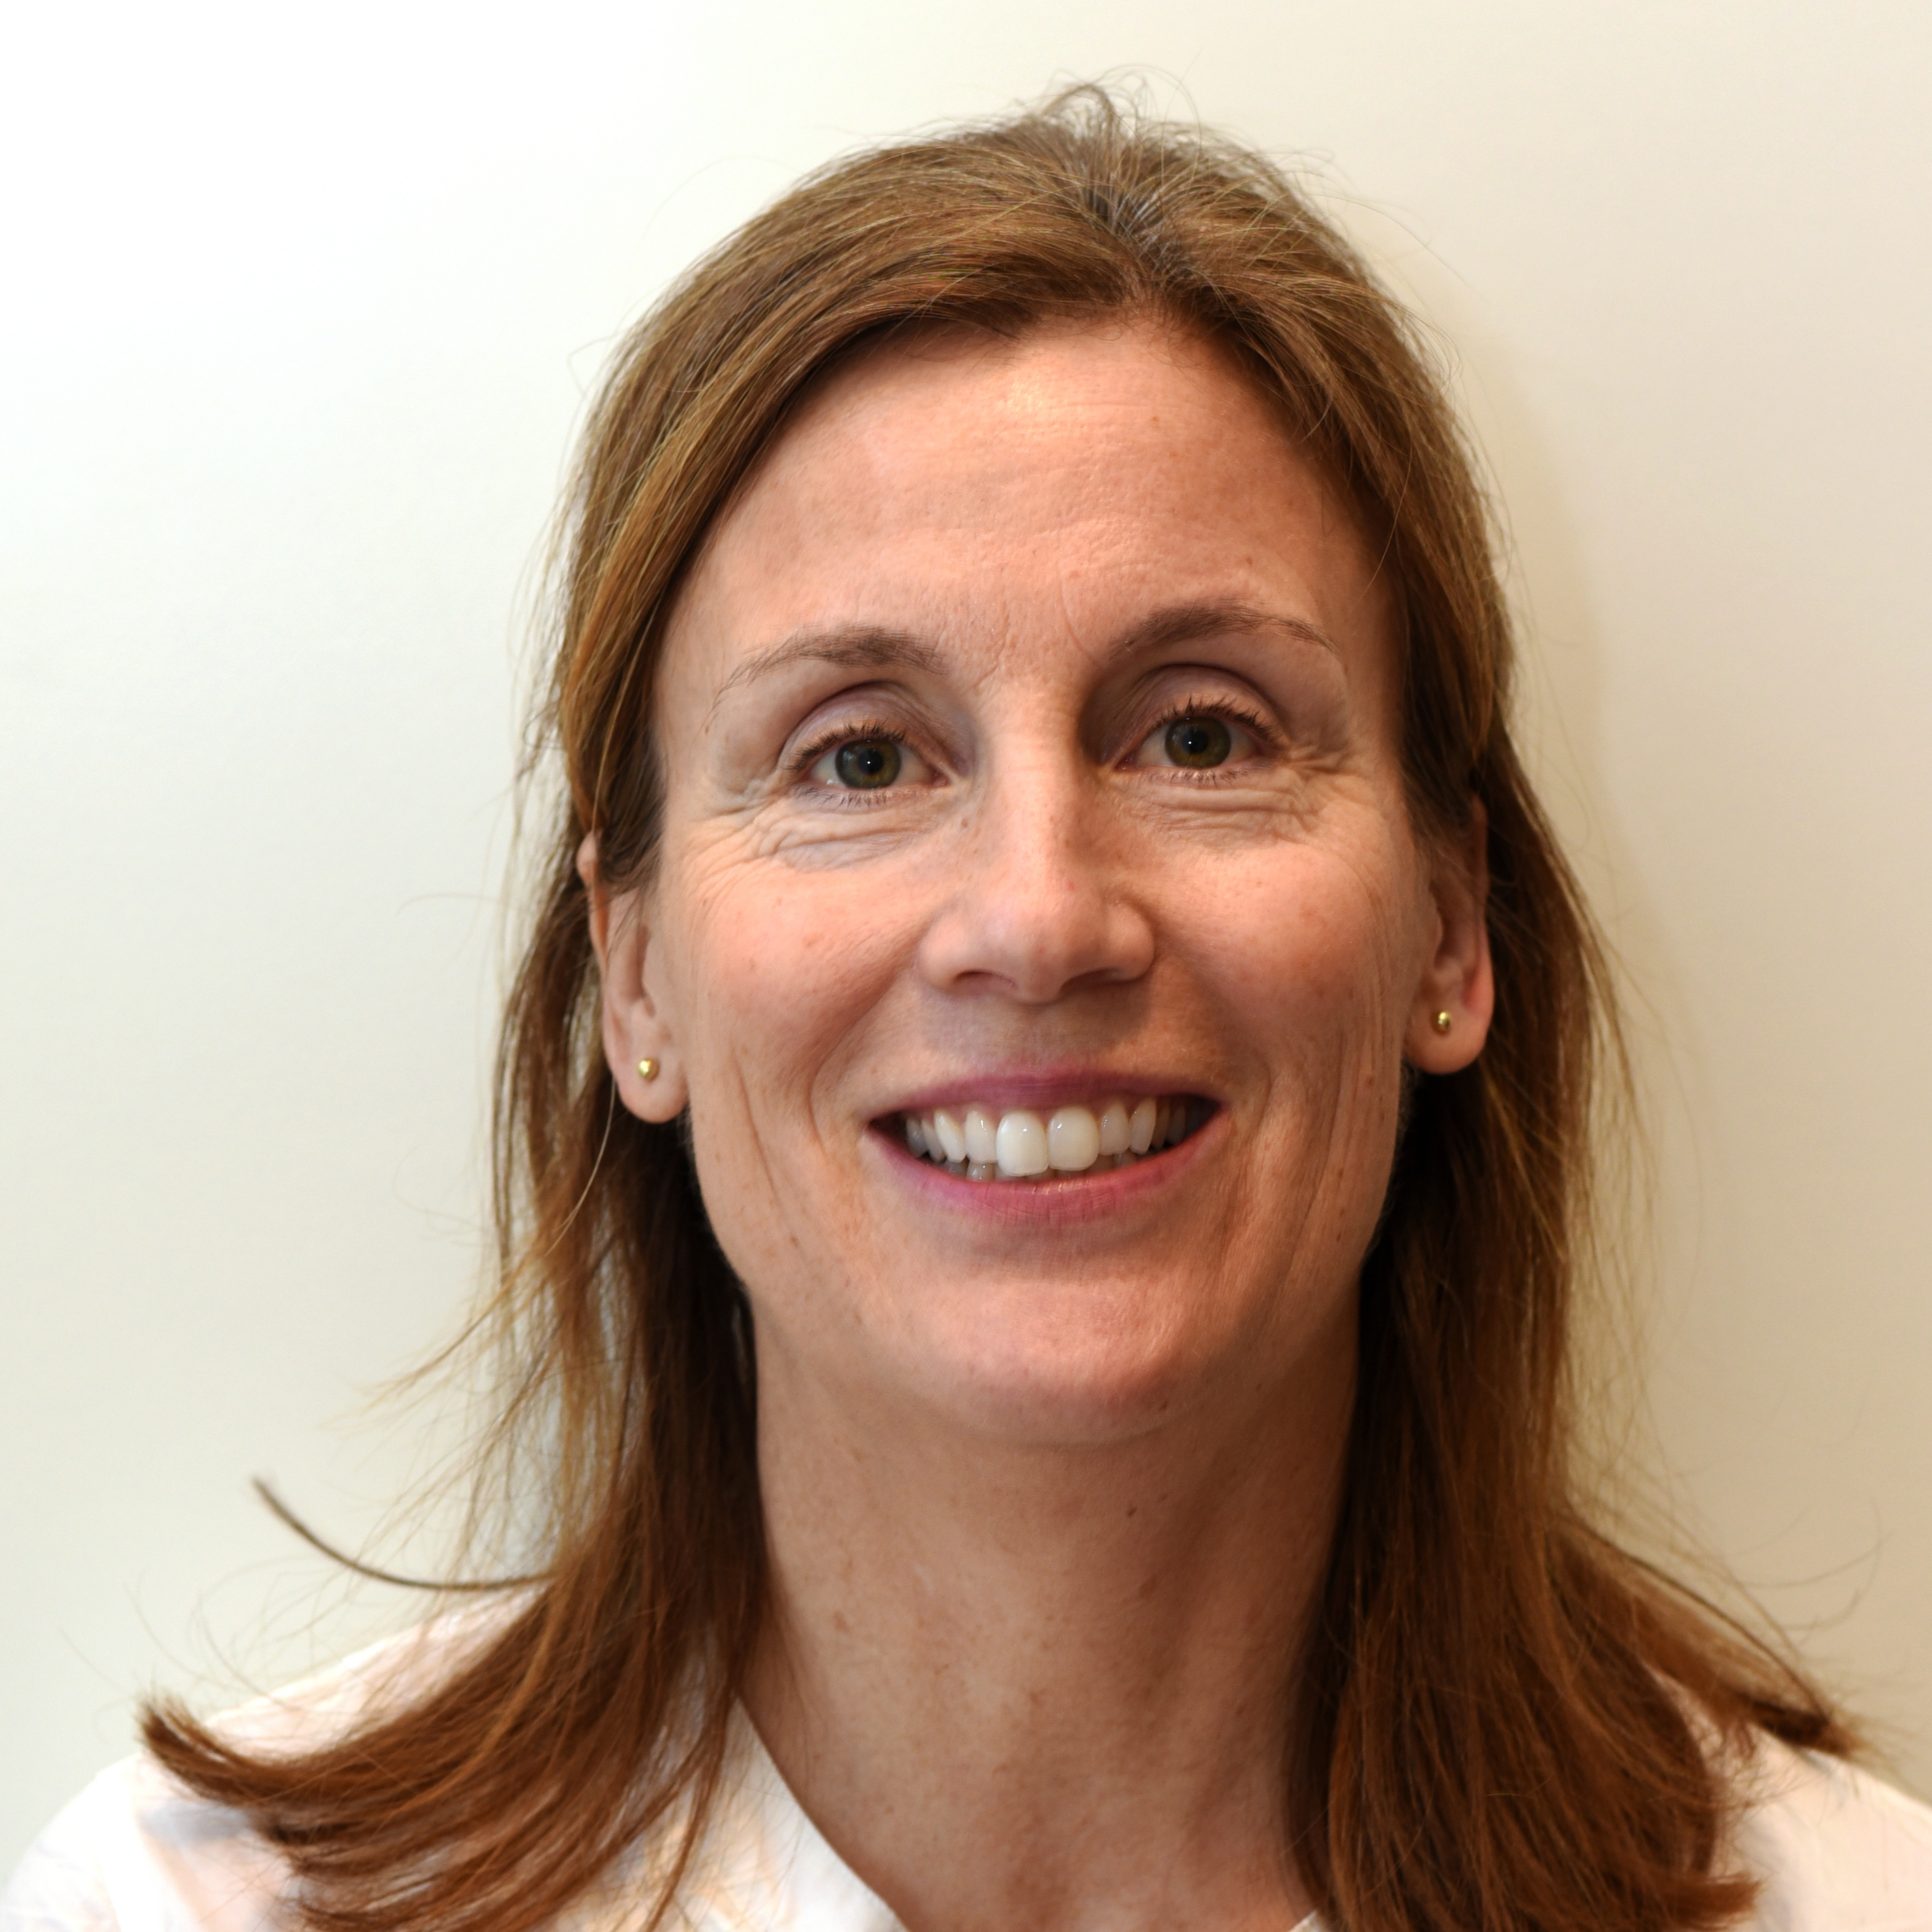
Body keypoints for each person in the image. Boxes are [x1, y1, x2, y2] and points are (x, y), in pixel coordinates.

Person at [8, 87, 1932, 1932]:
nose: (1036, 919)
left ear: (1450, 925)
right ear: (637, 974)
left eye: (1202, 733)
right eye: (857, 759)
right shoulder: (185, 1912)